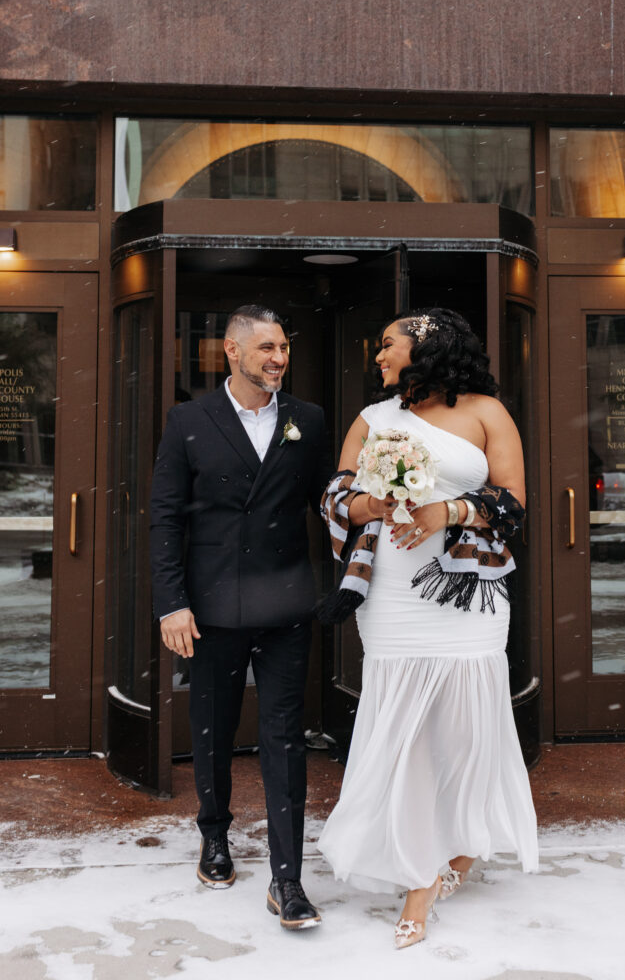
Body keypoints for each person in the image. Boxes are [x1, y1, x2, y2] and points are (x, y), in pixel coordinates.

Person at [317, 307, 538, 949]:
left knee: (466, 730)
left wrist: (451, 509)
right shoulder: (374, 419)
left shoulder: (487, 413)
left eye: (388, 345)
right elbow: (334, 497)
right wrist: (374, 501)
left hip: (468, 598)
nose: (379, 356)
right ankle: (419, 876)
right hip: (393, 594)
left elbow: (513, 504)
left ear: (428, 346)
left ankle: (465, 840)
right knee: (407, 734)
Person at [150, 304, 332, 930]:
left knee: (284, 737)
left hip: (285, 605)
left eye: (284, 347)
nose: (279, 359)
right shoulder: (188, 421)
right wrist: (171, 602)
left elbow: (329, 510)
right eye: (266, 349)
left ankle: (288, 879)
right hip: (212, 607)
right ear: (231, 350)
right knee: (213, 727)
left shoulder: (307, 420)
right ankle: (214, 836)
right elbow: (166, 518)